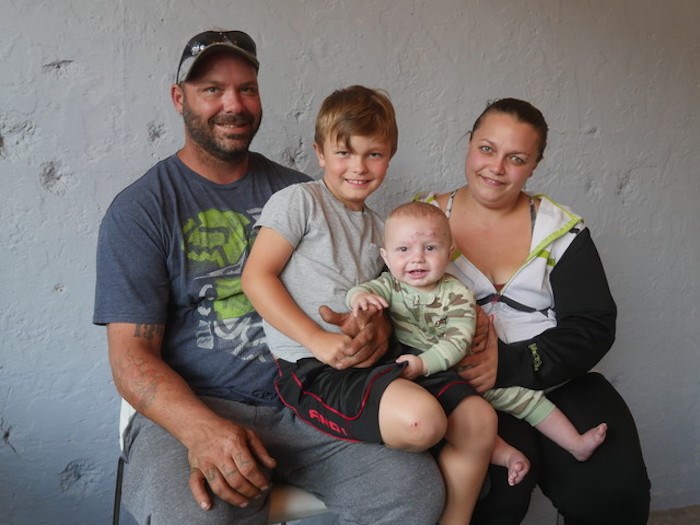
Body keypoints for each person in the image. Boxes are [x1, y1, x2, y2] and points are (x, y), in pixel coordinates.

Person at [93, 30, 446, 525]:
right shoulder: (143, 209)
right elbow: (130, 357)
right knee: (197, 515)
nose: (233, 104)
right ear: (179, 99)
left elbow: (369, 294)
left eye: (247, 89)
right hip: (200, 407)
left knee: (413, 490)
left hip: (312, 397)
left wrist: (373, 331)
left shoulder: (307, 193)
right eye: (212, 89)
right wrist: (201, 431)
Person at [242, 85, 496, 525]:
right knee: (424, 423)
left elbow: (399, 297)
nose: (358, 168)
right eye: (344, 153)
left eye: (373, 154)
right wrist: (319, 341)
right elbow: (255, 277)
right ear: (319, 153)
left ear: (390, 155)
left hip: (376, 363)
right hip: (311, 366)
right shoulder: (300, 202)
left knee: (478, 419)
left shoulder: (385, 230)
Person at [417, 97, 651, 524]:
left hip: (555, 376)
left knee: (614, 491)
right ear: (469, 144)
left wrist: (509, 363)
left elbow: (592, 326)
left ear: (535, 165)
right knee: (498, 494)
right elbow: (397, 309)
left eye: (517, 158)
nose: (496, 167)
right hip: (459, 386)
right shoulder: (422, 221)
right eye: (487, 149)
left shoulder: (561, 230)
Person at [347, 201, 608, 487]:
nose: (417, 259)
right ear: (386, 256)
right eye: (403, 250)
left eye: (430, 248)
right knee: (464, 419)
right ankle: (507, 455)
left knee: (523, 399)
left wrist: (423, 364)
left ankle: (575, 443)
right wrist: (359, 299)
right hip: (431, 379)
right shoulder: (390, 285)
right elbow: (364, 290)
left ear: (449, 253)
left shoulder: (457, 293)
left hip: (465, 369)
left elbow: (457, 342)